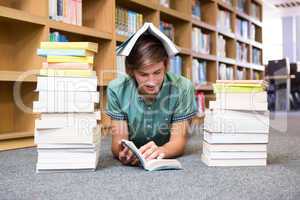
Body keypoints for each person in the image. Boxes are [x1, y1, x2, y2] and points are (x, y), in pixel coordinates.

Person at [106, 34, 197, 166]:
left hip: (166, 148)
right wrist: (123, 152)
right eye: (143, 74)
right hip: (134, 150)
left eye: (157, 72)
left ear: (165, 65)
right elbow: (118, 142)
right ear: (131, 71)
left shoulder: (183, 88)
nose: (151, 82)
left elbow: (178, 142)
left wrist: (162, 151)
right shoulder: (117, 89)